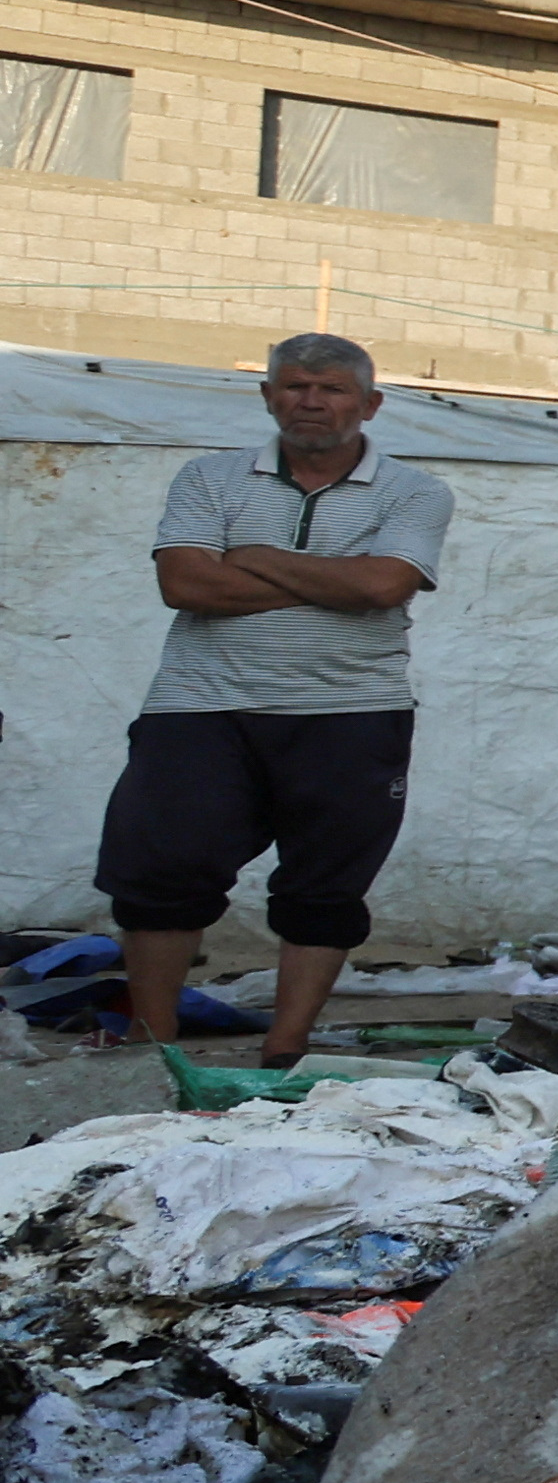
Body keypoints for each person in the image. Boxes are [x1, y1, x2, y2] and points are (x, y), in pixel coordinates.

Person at [100, 334, 450, 1066]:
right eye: (294, 387)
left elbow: (384, 587)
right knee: (161, 869)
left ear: (370, 404)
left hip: (352, 709)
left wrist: (254, 558)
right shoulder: (210, 478)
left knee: (326, 883)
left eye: (331, 389)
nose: (311, 401)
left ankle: (284, 1049)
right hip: (199, 707)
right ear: (267, 397)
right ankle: (151, 1042)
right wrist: (334, 577)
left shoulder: (415, 492)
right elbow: (187, 585)